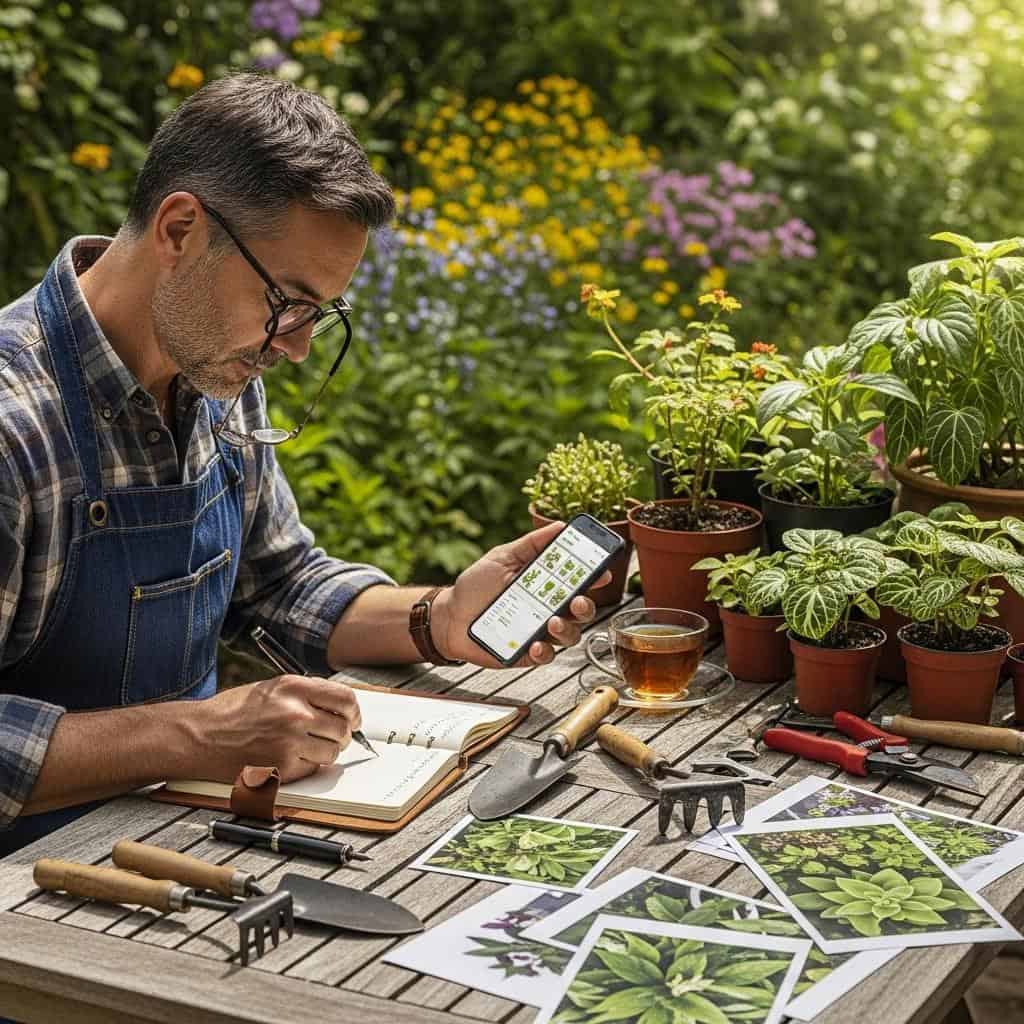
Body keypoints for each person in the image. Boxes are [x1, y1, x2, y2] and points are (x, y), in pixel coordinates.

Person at [0, 74, 608, 857]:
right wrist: (198, 734)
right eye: (286, 301)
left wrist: (439, 619)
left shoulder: (214, 368)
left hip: (181, 839)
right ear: (180, 231)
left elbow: (279, 583)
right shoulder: (15, 428)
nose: (296, 348)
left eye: (318, 314)